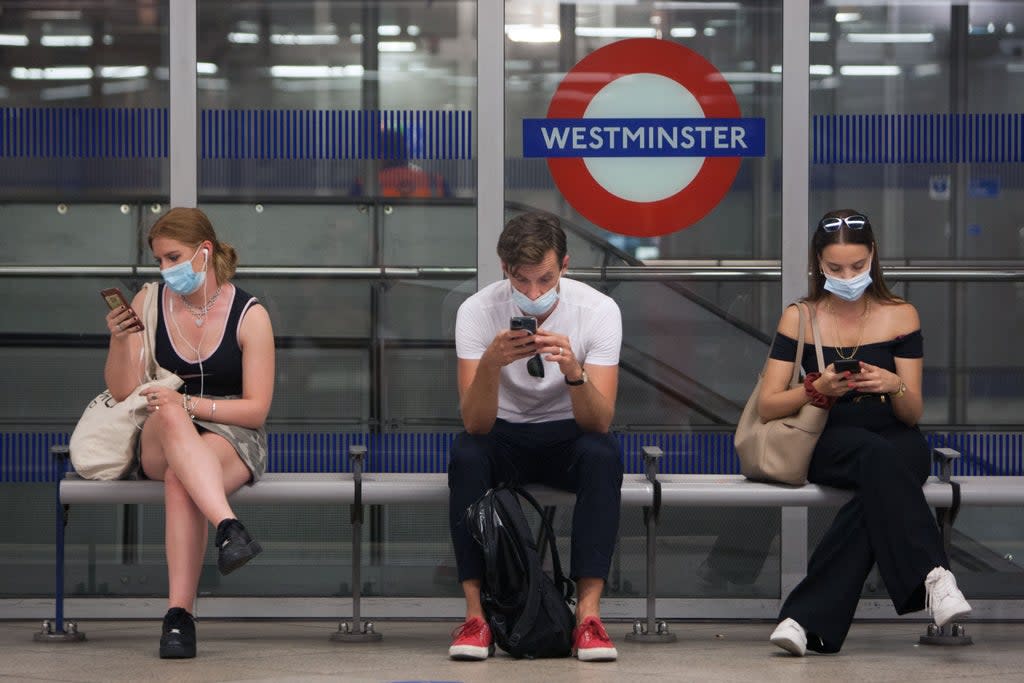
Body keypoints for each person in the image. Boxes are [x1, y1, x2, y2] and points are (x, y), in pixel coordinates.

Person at [759, 209, 971, 656]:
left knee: (876, 489)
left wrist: (892, 383)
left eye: (857, 266)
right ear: (819, 263)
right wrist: (816, 388)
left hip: (895, 434)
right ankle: (935, 575)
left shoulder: (901, 315)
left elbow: (911, 413)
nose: (848, 276)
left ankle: (804, 620)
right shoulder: (801, 317)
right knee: (878, 465)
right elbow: (768, 405)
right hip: (830, 436)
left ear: (873, 257)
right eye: (836, 268)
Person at [446, 211, 624, 662]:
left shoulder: (599, 311)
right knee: (467, 454)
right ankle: (476, 616)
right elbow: (476, 424)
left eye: (544, 279)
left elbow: (599, 422)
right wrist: (490, 364)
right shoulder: (476, 311)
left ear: (564, 265)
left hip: (568, 432)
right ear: (504, 270)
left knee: (602, 455)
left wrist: (573, 372)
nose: (533, 294)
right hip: (502, 432)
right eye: (521, 281)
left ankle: (588, 616)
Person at [103, 207, 275, 659]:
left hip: (232, 436)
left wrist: (190, 404)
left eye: (172, 257)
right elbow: (122, 391)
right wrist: (121, 341)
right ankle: (228, 526)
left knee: (184, 475)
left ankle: (178, 616)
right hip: (160, 433)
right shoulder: (148, 302)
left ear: (204, 253)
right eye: (158, 261)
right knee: (172, 423)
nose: (164, 270)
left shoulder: (249, 314)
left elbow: (256, 411)